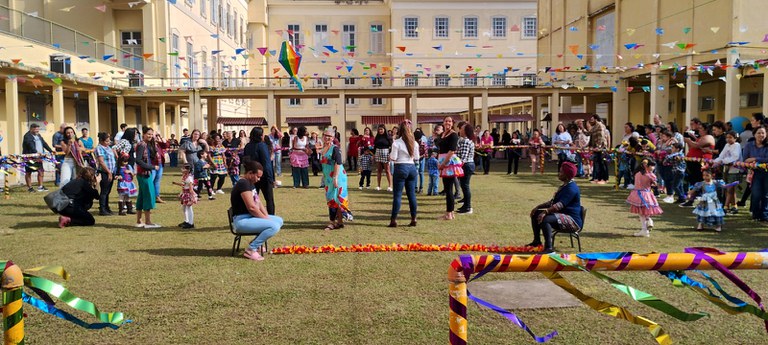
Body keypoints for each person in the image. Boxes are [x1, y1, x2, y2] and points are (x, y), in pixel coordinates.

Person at [231, 161, 284, 261]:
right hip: (241, 221)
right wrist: (266, 220)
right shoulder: (243, 184)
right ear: (250, 173)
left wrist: (266, 216)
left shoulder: (250, 184)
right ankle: (251, 250)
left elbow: (258, 202)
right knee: (274, 226)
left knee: (279, 220)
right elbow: (251, 207)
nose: (259, 179)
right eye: (257, 176)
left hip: (249, 218)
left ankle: (255, 244)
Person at [527, 161, 582, 253]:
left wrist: (545, 212)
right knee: (536, 214)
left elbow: (559, 205)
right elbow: (553, 202)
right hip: (562, 215)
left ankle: (549, 248)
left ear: (567, 175)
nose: (559, 174)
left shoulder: (571, 188)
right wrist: (538, 207)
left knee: (546, 219)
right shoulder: (565, 186)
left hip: (572, 220)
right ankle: (537, 241)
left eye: (561, 172)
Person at [320, 127, 352, 230]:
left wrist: (335, 177)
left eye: (329, 136)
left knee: (333, 198)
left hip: (337, 176)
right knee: (335, 198)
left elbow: (338, 162)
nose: (327, 138)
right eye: (325, 135)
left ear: (333, 137)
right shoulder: (323, 149)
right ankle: (340, 222)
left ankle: (332, 222)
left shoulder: (335, 148)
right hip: (328, 178)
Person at [389, 122, 419, 227]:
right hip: (411, 168)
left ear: (400, 131)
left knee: (397, 195)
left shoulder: (396, 142)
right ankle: (413, 218)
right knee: (411, 195)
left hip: (400, 167)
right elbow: (416, 157)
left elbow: (393, 158)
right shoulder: (414, 143)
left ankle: (393, 220)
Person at [626, 159, 663, 237]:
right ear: (647, 166)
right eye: (652, 165)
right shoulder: (650, 175)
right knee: (644, 211)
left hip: (637, 194)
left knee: (641, 212)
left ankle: (645, 229)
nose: (653, 167)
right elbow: (656, 184)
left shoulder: (637, 173)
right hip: (646, 194)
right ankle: (647, 225)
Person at [244, 127, 276, 215]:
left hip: (251, 175)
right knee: (269, 199)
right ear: (260, 135)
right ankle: (271, 217)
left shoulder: (247, 146)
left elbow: (246, 162)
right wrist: (271, 178)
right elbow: (267, 163)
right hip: (263, 176)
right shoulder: (262, 145)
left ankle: (254, 216)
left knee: (253, 199)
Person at [134, 128, 161, 228]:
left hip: (143, 173)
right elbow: (138, 160)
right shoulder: (142, 145)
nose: (150, 136)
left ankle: (139, 220)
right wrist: (152, 167)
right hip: (144, 174)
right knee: (148, 196)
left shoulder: (146, 144)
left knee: (141, 196)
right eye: (148, 134)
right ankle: (148, 221)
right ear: (144, 134)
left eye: (151, 134)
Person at [437, 116, 461, 220]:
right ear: (443, 122)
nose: (448, 122)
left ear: (452, 123)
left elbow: (452, 151)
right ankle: (450, 212)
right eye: (446, 121)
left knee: (449, 189)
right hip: (443, 160)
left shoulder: (453, 135)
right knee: (448, 189)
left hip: (448, 162)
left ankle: (449, 213)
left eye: (450, 121)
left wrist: (443, 164)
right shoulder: (443, 134)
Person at [712, 131, 742, 214]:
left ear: (735, 138)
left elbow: (735, 157)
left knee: (729, 188)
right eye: (727, 137)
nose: (728, 139)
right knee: (730, 189)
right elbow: (721, 155)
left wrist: (723, 161)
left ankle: (725, 207)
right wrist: (715, 162)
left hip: (735, 169)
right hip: (726, 168)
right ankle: (734, 206)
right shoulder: (726, 145)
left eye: (730, 137)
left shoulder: (737, 145)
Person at [743, 126, 768, 221]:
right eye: (759, 133)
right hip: (755, 173)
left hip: (766, 173)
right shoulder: (749, 145)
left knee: (766, 195)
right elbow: (745, 159)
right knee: (756, 193)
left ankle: (764, 215)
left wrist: (755, 159)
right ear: (754, 134)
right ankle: (756, 213)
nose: (761, 135)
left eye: (763, 133)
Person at [22, 123, 53, 192]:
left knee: (41, 171)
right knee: (28, 172)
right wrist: (36, 153)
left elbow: (44, 143)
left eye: (38, 130)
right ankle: (30, 188)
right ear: (31, 129)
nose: (37, 131)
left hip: (39, 157)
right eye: (36, 129)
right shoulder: (27, 136)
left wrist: (50, 150)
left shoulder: (38, 135)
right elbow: (30, 145)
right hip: (30, 157)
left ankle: (40, 187)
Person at [94, 132, 117, 216]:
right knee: (104, 191)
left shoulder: (108, 148)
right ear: (101, 141)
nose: (109, 142)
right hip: (105, 172)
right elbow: (101, 162)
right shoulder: (99, 148)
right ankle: (102, 209)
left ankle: (107, 207)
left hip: (111, 172)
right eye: (107, 141)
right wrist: (108, 172)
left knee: (108, 191)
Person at [456, 123, 476, 215]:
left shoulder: (465, 141)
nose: (460, 130)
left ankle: (468, 207)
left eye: (462, 129)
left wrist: (456, 165)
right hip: (469, 164)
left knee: (465, 186)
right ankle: (466, 205)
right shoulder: (467, 141)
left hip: (466, 165)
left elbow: (463, 157)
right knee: (464, 185)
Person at [174, 164, 197, 229]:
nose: (182, 169)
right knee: (184, 207)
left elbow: (191, 188)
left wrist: (192, 196)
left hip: (188, 194)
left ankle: (191, 223)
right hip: (185, 193)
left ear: (188, 170)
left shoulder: (189, 178)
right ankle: (186, 220)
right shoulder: (185, 176)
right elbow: (183, 185)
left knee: (189, 207)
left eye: (184, 168)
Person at [587, 115, 609, 184]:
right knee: (598, 164)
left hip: (601, 148)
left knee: (602, 164)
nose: (590, 120)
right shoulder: (594, 127)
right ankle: (598, 178)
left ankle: (604, 179)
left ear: (596, 119)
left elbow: (601, 137)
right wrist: (581, 127)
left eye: (592, 119)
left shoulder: (600, 125)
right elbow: (588, 134)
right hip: (596, 148)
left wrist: (599, 146)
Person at [373, 125, 393, 191]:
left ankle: (390, 186)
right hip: (378, 153)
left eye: (381, 129)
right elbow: (375, 146)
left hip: (386, 153)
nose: (380, 131)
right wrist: (374, 154)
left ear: (384, 129)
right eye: (379, 129)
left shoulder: (388, 137)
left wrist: (390, 154)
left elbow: (391, 146)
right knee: (379, 170)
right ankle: (378, 185)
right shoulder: (377, 137)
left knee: (387, 170)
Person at [152, 133, 169, 204]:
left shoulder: (158, 144)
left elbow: (166, 145)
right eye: (154, 136)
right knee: (151, 180)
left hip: (160, 164)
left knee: (157, 181)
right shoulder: (148, 144)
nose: (155, 137)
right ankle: (150, 197)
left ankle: (157, 196)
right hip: (152, 165)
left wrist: (161, 137)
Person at [414, 128, 428, 193]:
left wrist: (420, 157)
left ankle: (421, 188)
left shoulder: (423, 143)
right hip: (415, 159)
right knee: (415, 173)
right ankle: (415, 187)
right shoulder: (413, 143)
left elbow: (426, 153)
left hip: (422, 159)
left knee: (421, 173)